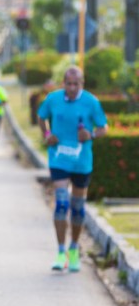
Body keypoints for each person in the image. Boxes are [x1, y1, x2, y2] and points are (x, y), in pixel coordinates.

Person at [37, 66, 108, 272]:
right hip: (59, 159)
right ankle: (61, 252)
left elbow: (103, 128)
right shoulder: (53, 99)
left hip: (81, 162)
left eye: (76, 84)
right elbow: (42, 117)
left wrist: (91, 135)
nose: (72, 88)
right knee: (61, 203)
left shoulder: (91, 102)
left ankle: (74, 248)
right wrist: (47, 134)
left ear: (82, 84)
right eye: (68, 84)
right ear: (63, 83)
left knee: (77, 206)